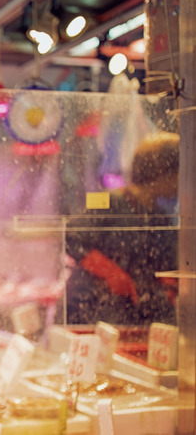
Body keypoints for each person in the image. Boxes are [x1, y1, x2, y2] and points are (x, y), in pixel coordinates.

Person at [65, 131, 179, 325]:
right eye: (179, 173)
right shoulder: (104, 199)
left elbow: (167, 266)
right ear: (162, 173)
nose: (181, 182)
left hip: (132, 314)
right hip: (90, 309)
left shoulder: (161, 216)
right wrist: (111, 273)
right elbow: (71, 236)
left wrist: (170, 291)